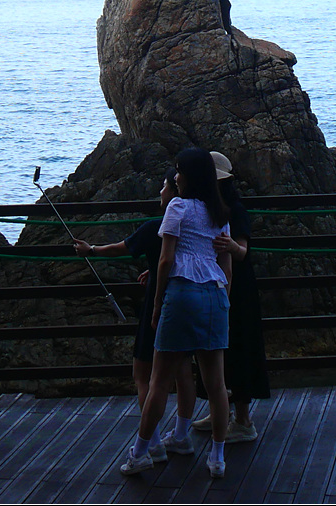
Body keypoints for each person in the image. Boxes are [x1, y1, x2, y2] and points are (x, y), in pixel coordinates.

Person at [116, 147, 233, 479]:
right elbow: (226, 266)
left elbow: (166, 260)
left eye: (179, 171)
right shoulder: (220, 213)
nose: (176, 177)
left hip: (182, 294)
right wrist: (224, 300)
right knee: (216, 384)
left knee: (158, 381)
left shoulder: (178, 207)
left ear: (190, 176)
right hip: (215, 295)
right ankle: (217, 458)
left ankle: (140, 453)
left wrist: (157, 304)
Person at [72, 176, 197, 459]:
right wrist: (155, 268)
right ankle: (181, 436)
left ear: (175, 192)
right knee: (183, 371)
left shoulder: (155, 228)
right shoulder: (192, 227)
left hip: (160, 304)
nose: (160, 191)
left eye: (164, 186)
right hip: (187, 301)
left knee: (143, 375)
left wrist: (90, 250)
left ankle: (153, 442)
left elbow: (122, 248)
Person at [192, 151, 269, 443]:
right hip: (213, 282)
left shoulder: (235, 210)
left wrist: (229, 246)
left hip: (238, 288)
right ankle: (219, 411)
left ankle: (243, 419)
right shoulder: (205, 208)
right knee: (215, 348)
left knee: (238, 347)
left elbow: (243, 251)